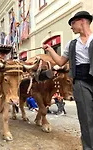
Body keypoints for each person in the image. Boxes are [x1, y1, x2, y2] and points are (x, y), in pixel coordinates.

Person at [42, 11, 93, 149]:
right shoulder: (71, 44)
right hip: (81, 82)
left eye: (72, 23)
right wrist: (50, 50)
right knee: (86, 119)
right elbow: (60, 61)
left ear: (82, 21)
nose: (71, 27)